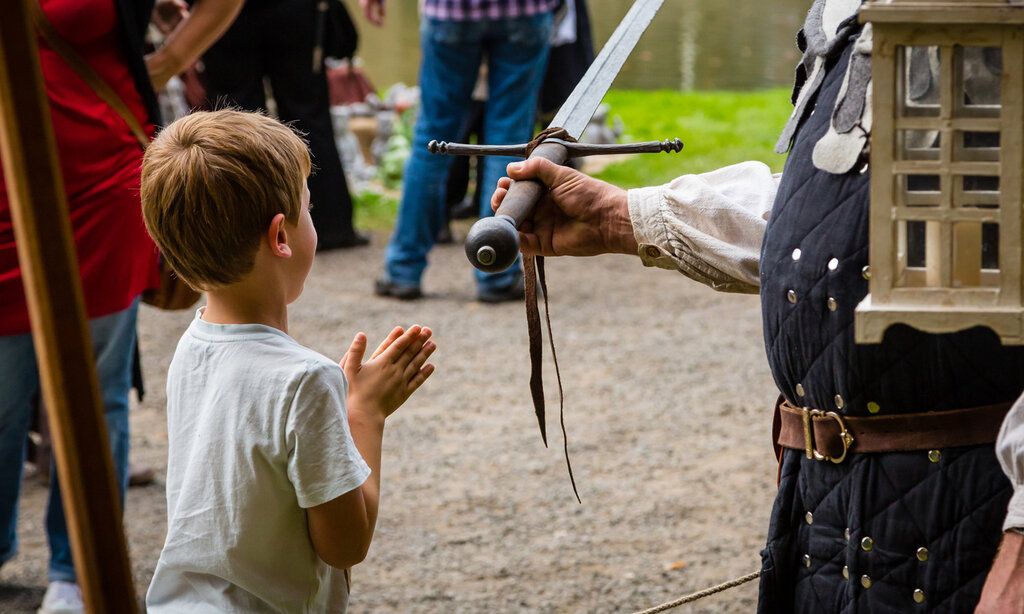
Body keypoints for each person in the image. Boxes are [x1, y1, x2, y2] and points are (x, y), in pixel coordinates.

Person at [490, 1, 1024, 611]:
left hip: (974, 501)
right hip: (826, 502)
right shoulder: (857, 13)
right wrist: (621, 217)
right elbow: (828, 224)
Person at [140, 110, 436, 612]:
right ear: (281, 236)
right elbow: (345, 545)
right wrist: (364, 412)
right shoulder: (307, 381)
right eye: (310, 206)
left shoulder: (193, 347)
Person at [0, 1, 240, 612]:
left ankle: (77, 569)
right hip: (4, 187)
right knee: (2, 390)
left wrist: (171, 59)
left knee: (96, 386)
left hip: (101, 183)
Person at [364, 0, 558, 302]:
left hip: (450, 11)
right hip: (525, 10)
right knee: (508, 141)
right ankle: (496, 270)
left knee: (431, 139)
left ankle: (403, 269)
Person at [201, 0, 370, 251]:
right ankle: (329, 224)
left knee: (236, 121)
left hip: (225, 16)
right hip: (295, 11)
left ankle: (245, 228)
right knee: (307, 114)